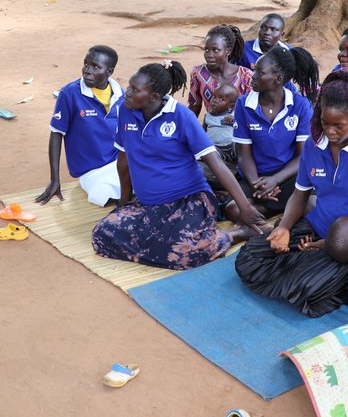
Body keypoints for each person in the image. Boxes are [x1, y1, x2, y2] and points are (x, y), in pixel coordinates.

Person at [235, 69, 348, 317]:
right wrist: (283, 228)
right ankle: (310, 265)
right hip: (317, 224)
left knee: (306, 289)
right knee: (249, 258)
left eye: (339, 125)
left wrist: (339, 243)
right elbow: (299, 194)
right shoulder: (315, 147)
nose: (330, 131)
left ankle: (334, 271)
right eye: (325, 123)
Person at [91, 62, 264, 270]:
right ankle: (161, 243)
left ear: (154, 97)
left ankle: (236, 234)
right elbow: (124, 161)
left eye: (135, 90)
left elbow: (215, 163)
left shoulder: (182, 117)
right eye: (129, 87)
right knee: (102, 234)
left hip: (188, 201)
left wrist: (244, 207)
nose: (127, 92)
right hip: (148, 205)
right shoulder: (126, 112)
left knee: (182, 253)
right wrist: (124, 204)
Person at [231, 45, 317, 218]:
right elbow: (243, 155)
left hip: (288, 176)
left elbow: (304, 156)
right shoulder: (243, 104)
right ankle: (283, 216)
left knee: (312, 205)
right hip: (256, 177)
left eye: (260, 73)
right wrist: (258, 185)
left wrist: (275, 180)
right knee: (234, 209)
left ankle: (268, 220)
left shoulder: (300, 106)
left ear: (278, 79)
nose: (252, 76)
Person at [39, 45, 123, 206]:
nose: (87, 70)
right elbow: (56, 133)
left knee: (150, 179)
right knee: (103, 195)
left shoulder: (121, 95)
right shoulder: (70, 94)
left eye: (95, 67)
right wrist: (54, 179)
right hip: (91, 172)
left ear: (109, 72)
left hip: (118, 163)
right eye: (86, 64)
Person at [187, 24, 254, 118]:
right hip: (212, 129)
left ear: (228, 51)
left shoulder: (246, 76)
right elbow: (195, 106)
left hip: (240, 130)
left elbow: (252, 110)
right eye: (206, 50)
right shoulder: (198, 73)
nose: (209, 55)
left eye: (215, 50)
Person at [203, 82, 240, 175]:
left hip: (231, 148)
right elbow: (202, 133)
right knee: (207, 154)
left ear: (230, 106)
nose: (215, 100)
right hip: (215, 149)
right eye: (214, 97)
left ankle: (239, 168)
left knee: (240, 145)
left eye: (221, 99)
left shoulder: (234, 115)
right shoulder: (207, 116)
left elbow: (243, 128)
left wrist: (235, 120)